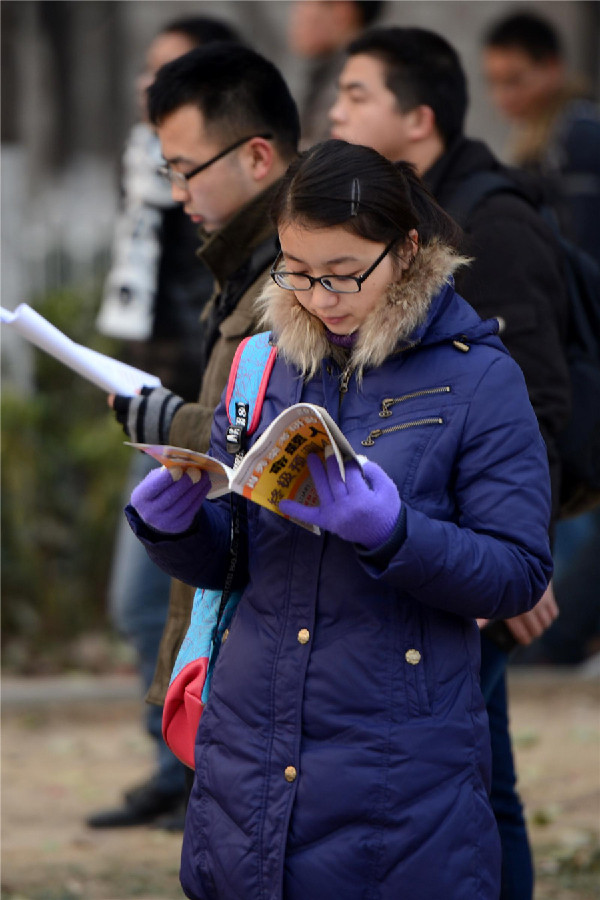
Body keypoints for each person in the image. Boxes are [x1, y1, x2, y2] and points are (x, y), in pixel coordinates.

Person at [124, 139, 553, 899]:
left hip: (397, 771)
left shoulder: (480, 376)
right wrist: (178, 526)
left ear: (408, 248)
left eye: (345, 273)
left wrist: (392, 532)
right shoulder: (262, 363)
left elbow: (517, 573)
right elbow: (236, 564)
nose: (321, 297)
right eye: (298, 272)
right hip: (248, 757)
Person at [328, 26, 571, 898]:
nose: (336, 109)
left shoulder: (487, 229)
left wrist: (515, 562)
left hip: (470, 559)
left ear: (419, 117)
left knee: (480, 782)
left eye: (357, 95)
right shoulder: (409, 217)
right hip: (431, 547)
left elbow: (532, 407)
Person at [109, 43, 300, 745]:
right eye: (168, 171)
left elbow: (270, 442)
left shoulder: (299, 272)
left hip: (269, 601)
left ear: (257, 156)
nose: (178, 192)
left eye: (186, 171)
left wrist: (171, 424)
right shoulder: (240, 260)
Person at [90, 16, 243, 831]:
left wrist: (183, 406)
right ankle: (174, 762)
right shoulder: (144, 164)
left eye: (172, 70)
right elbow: (139, 282)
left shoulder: (216, 189)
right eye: (150, 71)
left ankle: (189, 766)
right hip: (150, 405)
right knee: (142, 603)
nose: (155, 86)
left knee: (172, 600)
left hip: (195, 416)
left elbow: (209, 313)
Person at [482, 10, 600, 268]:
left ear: (551, 67)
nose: (502, 96)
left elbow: (585, 245)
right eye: (493, 82)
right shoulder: (534, 135)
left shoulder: (579, 136)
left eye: (514, 80)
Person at [287, 0, 385, 146]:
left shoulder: (356, 77)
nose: (296, 14)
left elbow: (322, 158)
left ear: (341, 12)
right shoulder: (329, 71)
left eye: (304, 3)